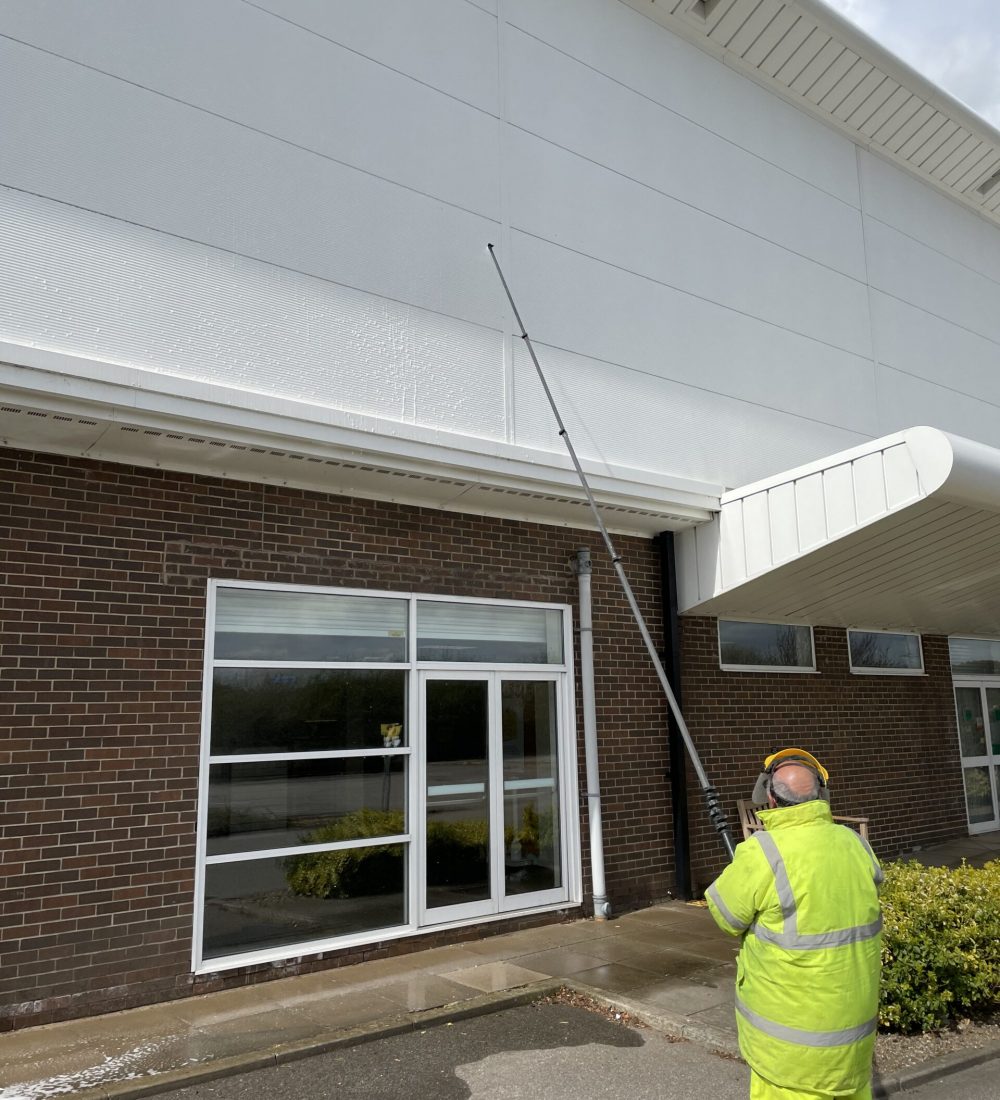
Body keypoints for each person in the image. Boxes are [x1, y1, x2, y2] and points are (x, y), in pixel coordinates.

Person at [705, 749, 883, 1100]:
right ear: (821, 795)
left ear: (769, 799)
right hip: (851, 1050)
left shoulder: (762, 853)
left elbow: (726, 917)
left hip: (788, 1057)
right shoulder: (856, 844)